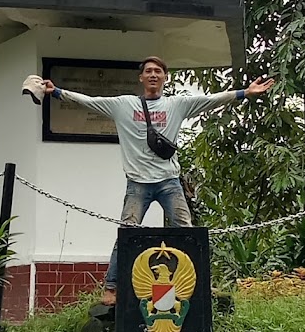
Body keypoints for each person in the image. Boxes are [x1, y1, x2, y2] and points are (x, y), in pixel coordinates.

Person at [41, 57, 274, 305]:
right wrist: (56, 92)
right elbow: (89, 102)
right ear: (141, 78)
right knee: (127, 233)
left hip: (169, 182)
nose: (153, 75)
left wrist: (245, 93)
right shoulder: (123, 105)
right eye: (149, 71)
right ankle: (111, 287)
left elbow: (210, 100)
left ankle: (202, 285)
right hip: (137, 183)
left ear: (165, 77)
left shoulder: (177, 105)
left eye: (158, 71)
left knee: (187, 232)